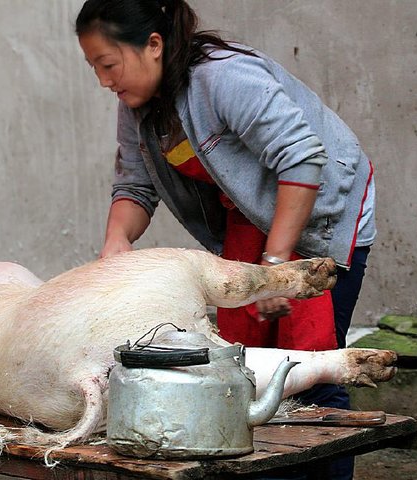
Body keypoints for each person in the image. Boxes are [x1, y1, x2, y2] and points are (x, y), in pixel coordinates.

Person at [76, 1, 375, 478]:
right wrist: (116, 247)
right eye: (94, 68)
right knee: (240, 369)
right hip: (247, 228)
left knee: (314, 368)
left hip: (315, 216)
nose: (104, 81)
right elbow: (134, 186)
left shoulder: (225, 77)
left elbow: (300, 159)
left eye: (108, 64)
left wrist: (276, 269)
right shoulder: (137, 107)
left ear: (153, 45)